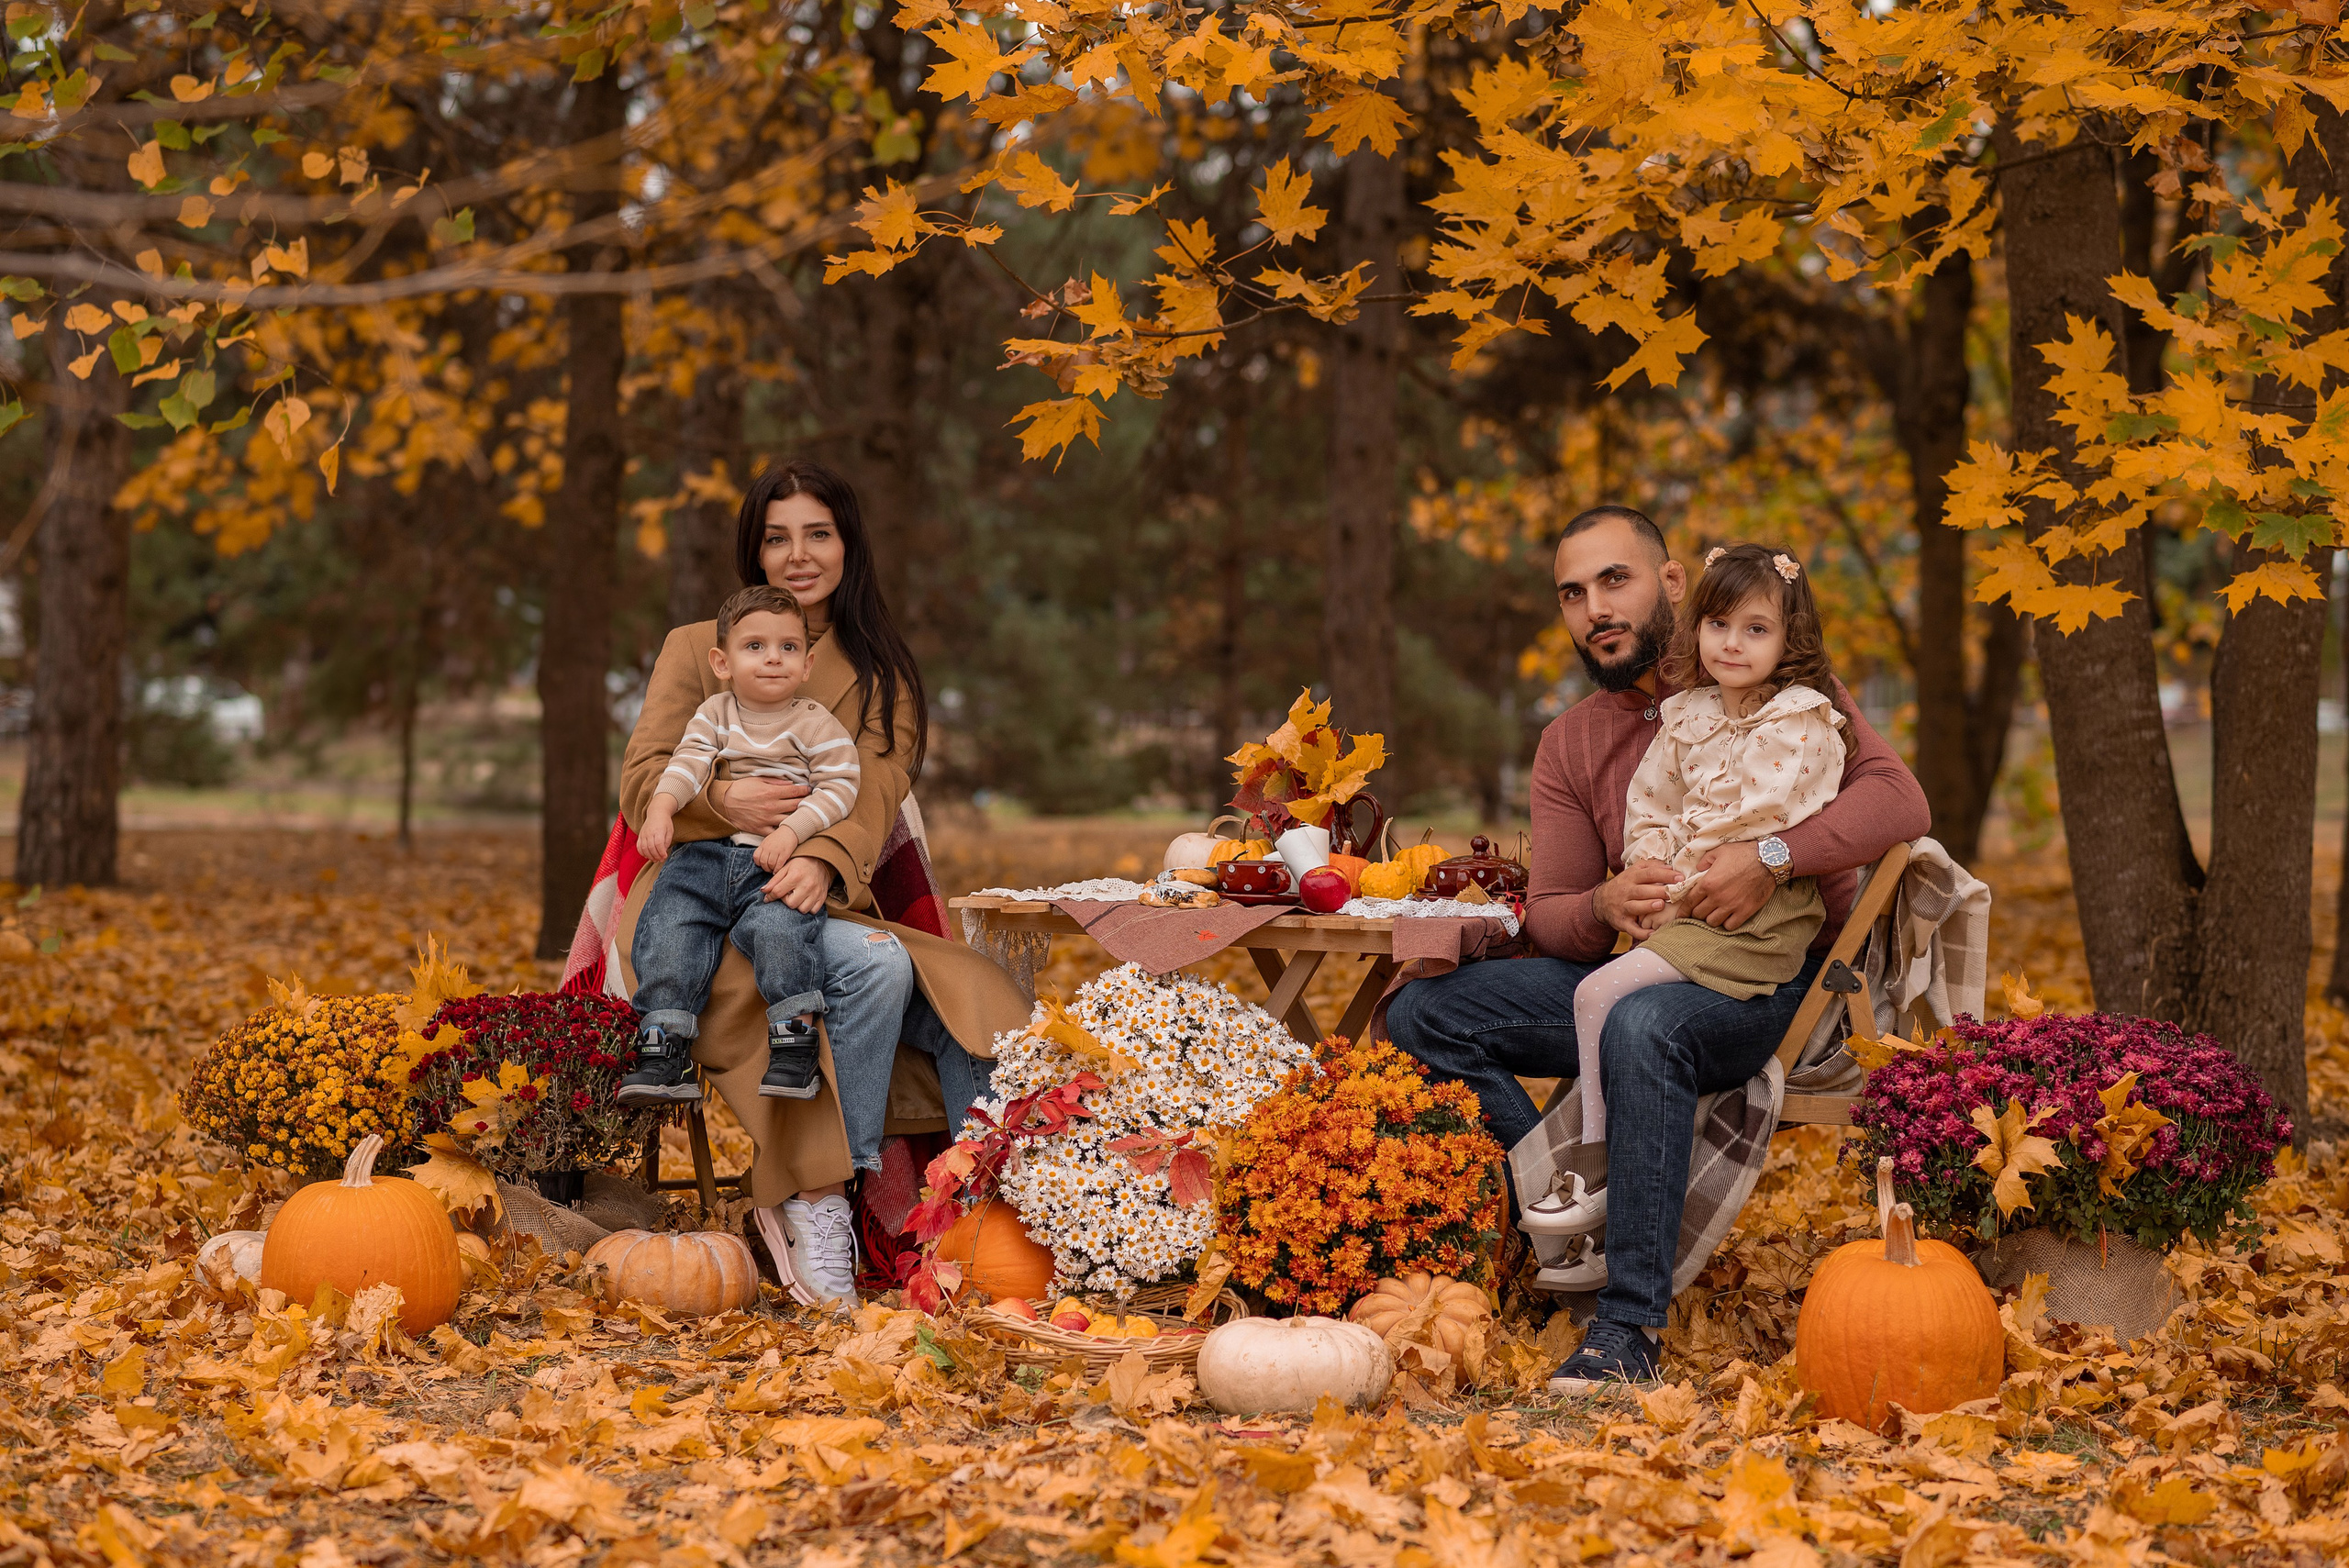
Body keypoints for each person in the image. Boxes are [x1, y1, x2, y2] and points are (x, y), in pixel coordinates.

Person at [1384, 505, 1927, 1394]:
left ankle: (1626, 1325)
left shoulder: (1780, 691)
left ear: (1671, 583)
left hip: (1764, 979)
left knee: (1638, 1022)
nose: (1594, 606)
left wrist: (1770, 855)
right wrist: (1603, 899)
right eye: (1572, 592)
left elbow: (1901, 802)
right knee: (1420, 1013)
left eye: (1614, 579)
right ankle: (1559, 1213)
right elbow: (1555, 915)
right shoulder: (1572, 740)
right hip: (1647, 953)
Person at [612, 460, 1030, 1311]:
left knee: (966, 987)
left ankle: (992, 1208)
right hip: (691, 905)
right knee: (861, 970)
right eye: (777, 536)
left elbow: (873, 789)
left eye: (818, 533)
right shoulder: (700, 647)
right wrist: (720, 793)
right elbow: (643, 775)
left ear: (847, 544)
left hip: (815, 891)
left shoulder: (882, 673)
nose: (798, 555)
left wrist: (820, 857)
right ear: (754, 549)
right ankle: (812, 1198)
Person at [1535, 542, 1848, 1223]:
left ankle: (1597, 1171)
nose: (1733, 644)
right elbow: (1651, 805)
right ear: (1697, 625)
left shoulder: (1803, 719)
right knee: (1434, 1010)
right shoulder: (1688, 716)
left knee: (1605, 997)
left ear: (1788, 638)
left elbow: (1743, 829)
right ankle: (1580, 1180)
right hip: (1688, 908)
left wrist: (1685, 876)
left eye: (1756, 630)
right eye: (1719, 626)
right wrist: (1643, 872)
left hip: (1758, 924)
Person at [621, 584, 863, 1108]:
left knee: (783, 929)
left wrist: (792, 833)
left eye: (788, 648)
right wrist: (662, 807)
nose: (773, 658)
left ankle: (794, 1041)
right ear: (722, 661)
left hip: (772, 861)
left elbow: (842, 786)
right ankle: (664, 1045)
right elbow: (685, 763)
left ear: (806, 663)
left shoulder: (814, 722)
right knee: (669, 926)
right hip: (704, 856)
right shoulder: (714, 713)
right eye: (754, 646)